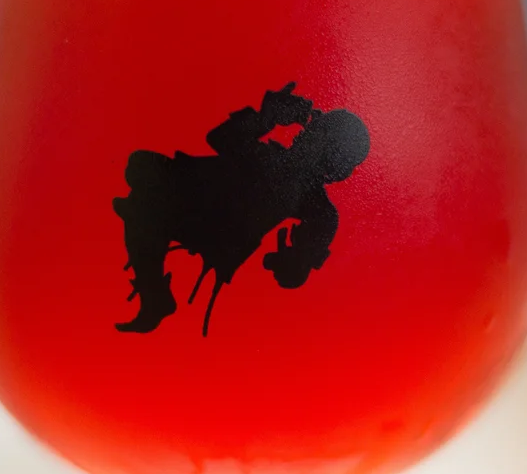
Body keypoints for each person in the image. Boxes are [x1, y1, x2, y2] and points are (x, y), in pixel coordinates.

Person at [114, 84, 371, 336]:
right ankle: (154, 295)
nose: (307, 129)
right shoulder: (274, 159)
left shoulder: (314, 202)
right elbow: (219, 138)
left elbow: (292, 276)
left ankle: (154, 297)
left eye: (318, 131)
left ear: (330, 153)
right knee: (142, 166)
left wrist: (291, 260)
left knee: (144, 202)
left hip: (215, 227)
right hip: (201, 199)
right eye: (314, 125)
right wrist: (267, 117)